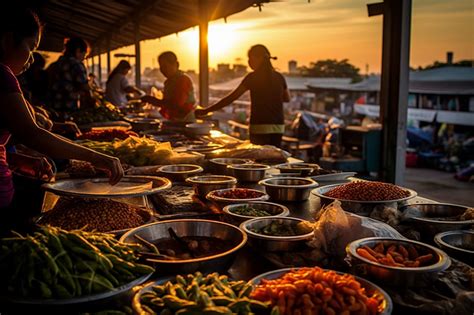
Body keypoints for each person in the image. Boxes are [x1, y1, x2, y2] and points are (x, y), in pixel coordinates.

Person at [0, 7, 123, 231]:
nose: (30, 59)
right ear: (8, 40)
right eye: (31, 47)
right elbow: (32, 134)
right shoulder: (2, 76)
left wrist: (16, 161)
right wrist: (97, 158)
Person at [195, 45, 290, 147]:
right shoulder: (279, 77)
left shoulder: (252, 77)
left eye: (250, 58)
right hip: (278, 127)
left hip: (259, 126)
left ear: (260, 58)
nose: (249, 62)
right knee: (275, 157)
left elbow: (231, 98)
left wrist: (206, 110)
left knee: (259, 159)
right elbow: (286, 98)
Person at [141, 51, 196, 123]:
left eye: (165, 66)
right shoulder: (169, 82)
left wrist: (153, 100)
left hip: (185, 122)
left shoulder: (183, 80)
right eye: (161, 67)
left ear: (176, 65)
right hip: (174, 120)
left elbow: (176, 104)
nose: (163, 70)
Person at [47, 36, 93, 120]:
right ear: (78, 51)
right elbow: (85, 87)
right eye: (84, 55)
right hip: (68, 111)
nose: (83, 59)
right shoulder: (76, 64)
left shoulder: (55, 64)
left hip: (51, 111)